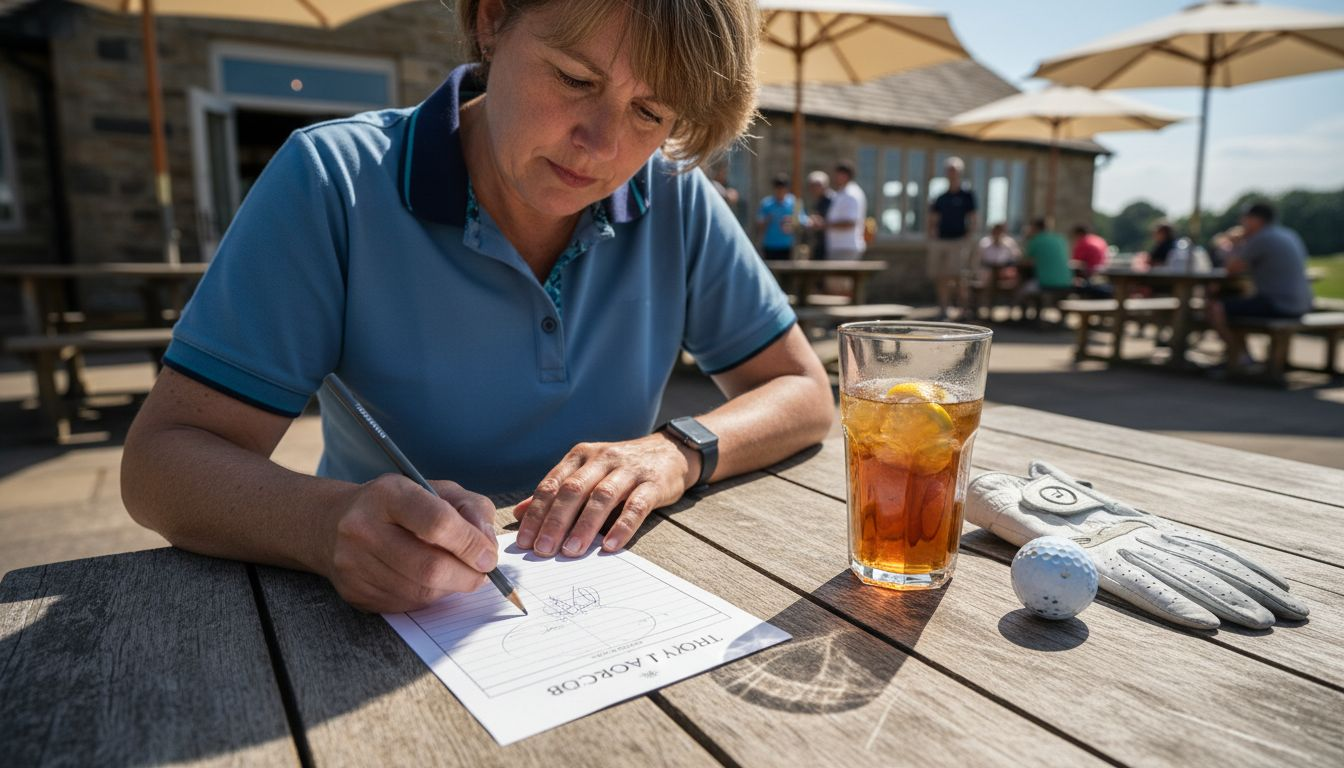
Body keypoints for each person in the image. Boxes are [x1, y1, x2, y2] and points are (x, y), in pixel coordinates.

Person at [119, 0, 834, 614]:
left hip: (605, 596)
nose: (603, 147)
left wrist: (676, 451)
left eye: (651, 112)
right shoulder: (333, 180)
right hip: (376, 616)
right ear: (492, 19)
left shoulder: (676, 194)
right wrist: (326, 523)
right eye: (576, 78)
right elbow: (161, 464)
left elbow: (805, 392)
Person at [1206, 201, 1314, 365]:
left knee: (1215, 308)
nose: (1241, 223)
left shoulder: (1261, 237)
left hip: (1280, 304)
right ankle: (1243, 354)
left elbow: (1231, 269)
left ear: (1256, 220)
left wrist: (1233, 243)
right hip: (1303, 303)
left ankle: (1239, 357)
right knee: (1237, 303)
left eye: (1244, 219)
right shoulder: (1289, 234)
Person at [927, 157, 979, 319]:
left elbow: (973, 217)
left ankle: (963, 309)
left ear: (960, 173)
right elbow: (933, 217)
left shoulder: (967, 195)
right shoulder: (941, 197)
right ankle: (944, 308)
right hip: (942, 240)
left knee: (959, 276)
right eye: (949, 170)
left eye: (954, 170)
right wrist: (932, 233)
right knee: (941, 276)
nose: (952, 174)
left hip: (959, 241)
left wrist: (969, 234)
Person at [1016, 218, 1072, 313]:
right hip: (1067, 282)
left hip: (1045, 284)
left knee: (1022, 290)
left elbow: (1024, 262)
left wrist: (1026, 238)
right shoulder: (1060, 239)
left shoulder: (1035, 240)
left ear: (1034, 228)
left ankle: (1025, 318)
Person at [824, 160, 867, 261]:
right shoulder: (843, 192)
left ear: (845, 175)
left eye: (837, 174)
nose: (835, 177)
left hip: (845, 247)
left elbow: (850, 223)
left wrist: (825, 225)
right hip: (839, 247)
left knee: (839, 277)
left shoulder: (851, 194)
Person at [756, 173, 802, 260]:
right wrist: (767, 220)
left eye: (783, 188)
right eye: (778, 188)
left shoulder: (794, 202)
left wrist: (792, 221)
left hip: (788, 245)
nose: (780, 191)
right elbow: (759, 224)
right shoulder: (766, 203)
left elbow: (802, 220)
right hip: (770, 244)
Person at [805, 170, 833, 260]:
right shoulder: (818, 200)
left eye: (817, 185)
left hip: (830, 242)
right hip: (819, 241)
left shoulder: (832, 200)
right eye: (812, 186)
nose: (814, 189)